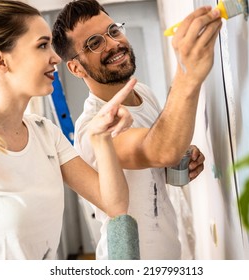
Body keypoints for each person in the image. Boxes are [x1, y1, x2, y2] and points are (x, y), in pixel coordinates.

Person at [0, 0, 136, 260]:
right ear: (0, 60)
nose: (56, 57)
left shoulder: (45, 133)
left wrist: (101, 138)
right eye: (42, 45)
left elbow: (115, 205)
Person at [52, 0, 221, 259]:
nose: (113, 44)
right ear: (75, 67)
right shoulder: (94, 129)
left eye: (113, 31)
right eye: (94, 43)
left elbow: (158, 154)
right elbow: (160, 149)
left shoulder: (143, 93)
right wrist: (187, 73)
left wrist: (179, 161)